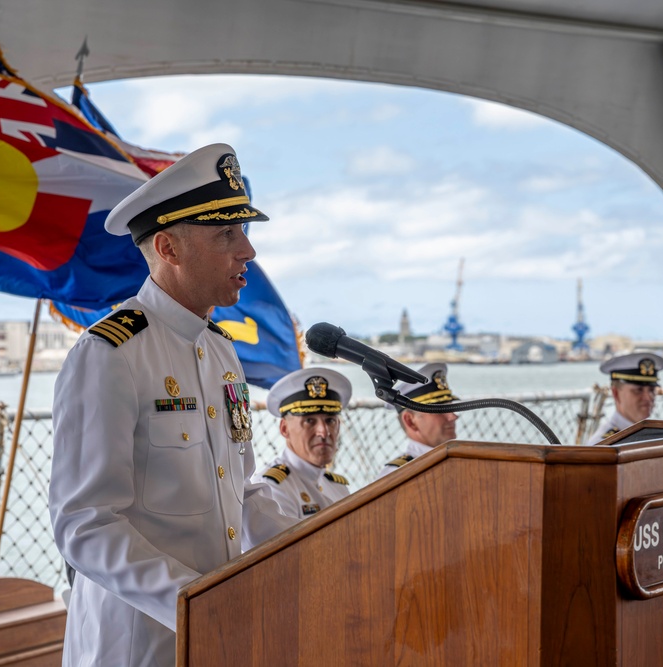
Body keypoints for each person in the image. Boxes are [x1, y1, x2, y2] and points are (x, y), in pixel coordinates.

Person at [49, 143, 298, 667]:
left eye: (243, 231)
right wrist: (191, 601)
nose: (247, 251)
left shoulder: (221, 350)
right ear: (168, 247)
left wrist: (318, 547)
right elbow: (85, 523)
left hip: (218, 629)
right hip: (138, 644)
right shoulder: (111, 353)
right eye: (227, 234)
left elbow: (243, 489)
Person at [252, 368, 354, 518]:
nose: (324, 432)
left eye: (330, 420)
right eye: (309, 421)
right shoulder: (271, 488)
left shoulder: (338, 487)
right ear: (284, 428)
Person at [376, 362, 459, 479]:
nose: (453, 416)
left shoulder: (459, 461)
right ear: (410, 421)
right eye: (440, 410)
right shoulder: (397, 476)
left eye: (451, 408)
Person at [588, 351, 663, 444]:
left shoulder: (655, 436)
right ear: (615, 393)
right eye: (638, 390)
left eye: (651, 390)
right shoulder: (603, 446)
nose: (648, 398)